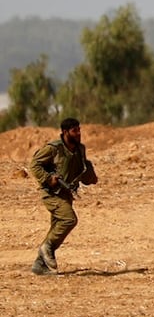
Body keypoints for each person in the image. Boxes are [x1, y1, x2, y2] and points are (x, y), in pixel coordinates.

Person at [28, 117, 98, 275]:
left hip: (66, 194)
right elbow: (34, 164)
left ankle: (40, 265)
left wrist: (90, 176)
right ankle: (46, 248)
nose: (79, 133)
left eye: (79, 129)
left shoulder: (80, 149)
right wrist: (48, 179)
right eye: (75, 130)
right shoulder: (54, 148)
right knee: (69, 220)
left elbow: (83, 169)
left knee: (56, 229)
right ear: (65, 132)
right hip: (51, 194)